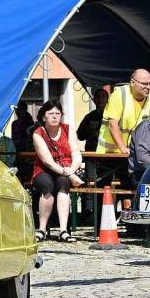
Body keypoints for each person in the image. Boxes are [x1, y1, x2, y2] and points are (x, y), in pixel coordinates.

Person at [31, 100, 84, 243]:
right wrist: (71, 174)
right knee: (47, 186)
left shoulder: (68, 129)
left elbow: (76, 152)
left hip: (66, 168)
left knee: (63, 185)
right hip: (44, 169)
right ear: (44, 117)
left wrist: (72, 169)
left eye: (57, 113)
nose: (54, 116)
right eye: (50, 113)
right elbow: (47, 161)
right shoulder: (38, 133)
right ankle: (41, 229)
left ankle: (63, 230)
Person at [97, 69, 150, 154]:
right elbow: (112, 124)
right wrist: (123, 148)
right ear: (132, 82)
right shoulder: (120, 94)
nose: (148, 87)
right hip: (109, 153)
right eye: (144, 83)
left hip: (132, 153)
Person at [76, 88, 109, 152]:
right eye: (98, 97)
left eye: (103, 97)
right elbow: (80, 136)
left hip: (107, 154)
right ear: (94, 100)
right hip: (91, 153)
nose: (100, 99)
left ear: (107, 100)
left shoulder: (111, 117)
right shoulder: (88, 117)